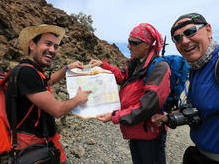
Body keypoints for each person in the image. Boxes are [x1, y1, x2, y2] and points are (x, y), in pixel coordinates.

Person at [5, 24, 91, 164]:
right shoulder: (28, 73)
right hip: (33, 148)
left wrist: (66, 68)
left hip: (36, 145)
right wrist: (78, 99)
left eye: (56, 46)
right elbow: (57, 110)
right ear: (32, 44)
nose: (52, 50)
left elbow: (47, 82)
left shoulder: (29, 70)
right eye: (48, 44)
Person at [89, 23, 171, 164]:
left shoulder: (159, 67)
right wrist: (103, 66)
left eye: (133, 42)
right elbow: (122, 77)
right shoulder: (136, 63)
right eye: (129, 41)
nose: (128, 46)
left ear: (146, 45)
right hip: (135, 129)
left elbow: (147, 107)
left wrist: (114, 116)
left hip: (150, 134)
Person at [152, 13, 219, 164]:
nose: (184, 41)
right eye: (177, 38)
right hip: (199, 155)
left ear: (208, 30)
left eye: (190, 32)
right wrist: (167, 117)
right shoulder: (196, 67)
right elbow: (197, 109)